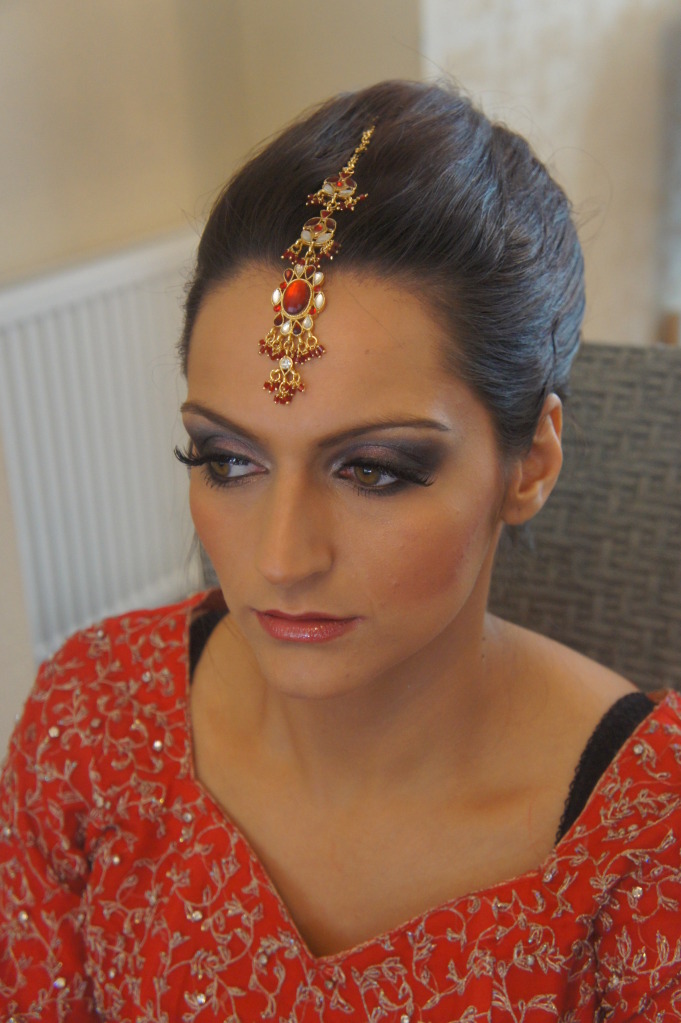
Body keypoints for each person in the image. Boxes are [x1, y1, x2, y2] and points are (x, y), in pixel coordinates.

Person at [1, 79, 680, 1022]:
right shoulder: (92, 723)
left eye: (373, 470)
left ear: (529, 462)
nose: (280, 558)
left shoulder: (649, 848)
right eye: (227, 459)